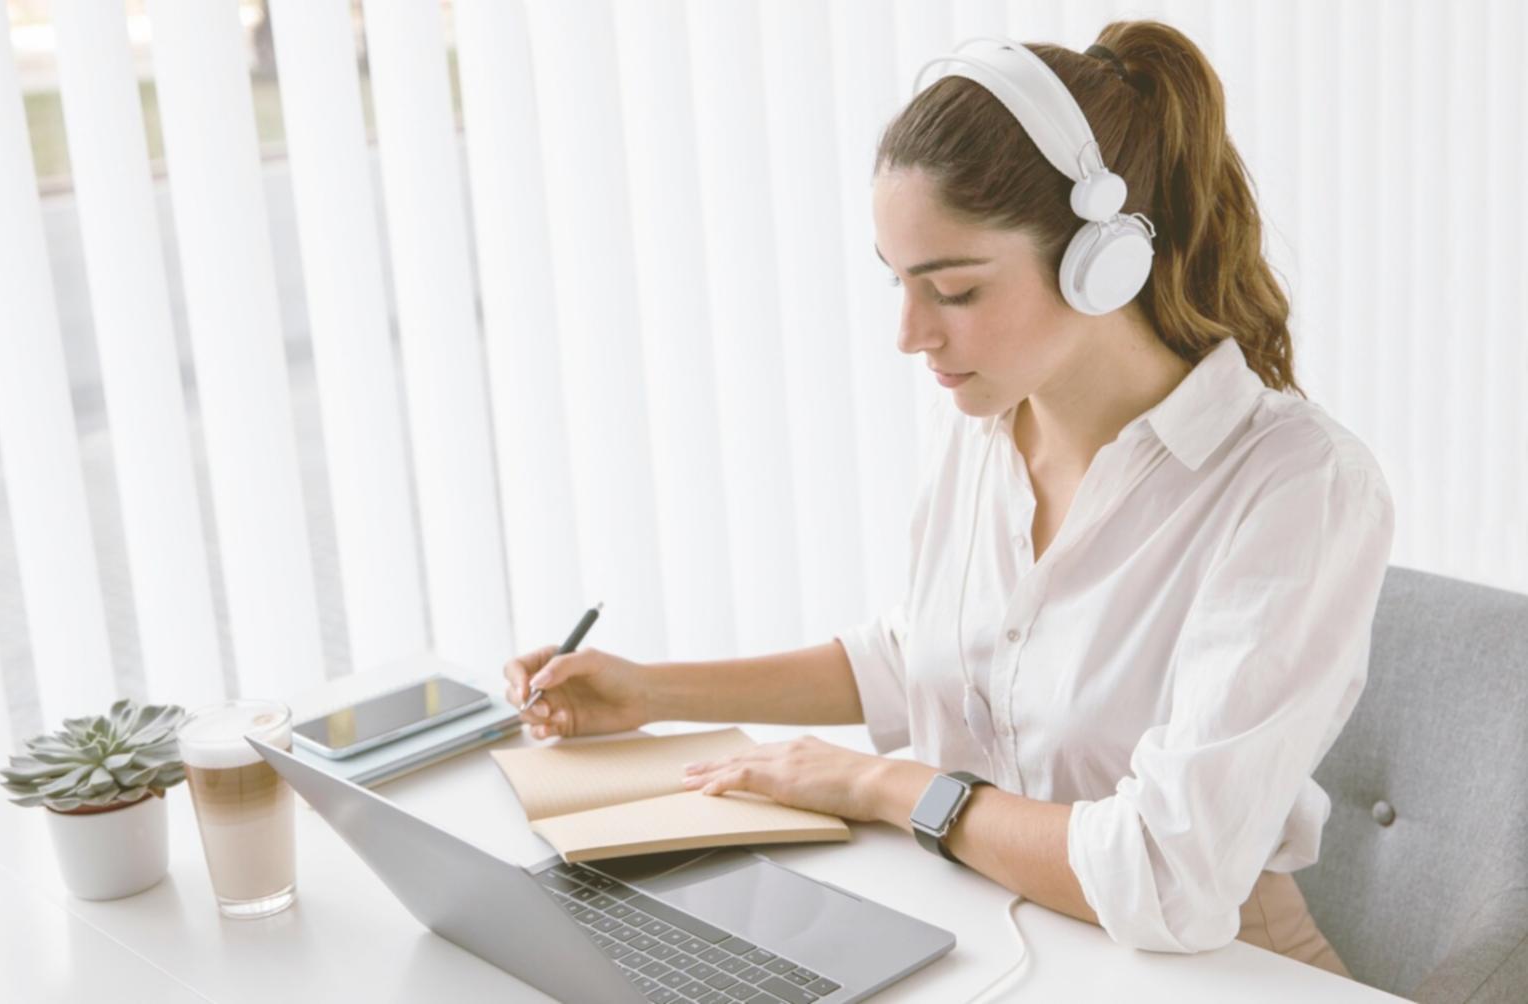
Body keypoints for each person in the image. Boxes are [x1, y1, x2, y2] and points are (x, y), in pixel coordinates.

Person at [502, 20, 1390, 979]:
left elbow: (1167, 878)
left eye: (955, 290)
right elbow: (918, 658)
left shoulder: (1297, 488)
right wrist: (653, 693)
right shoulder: (986, 425)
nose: (910, 334)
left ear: (1106, 263)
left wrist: (887, 787)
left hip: (1211, 969)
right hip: (981, 936)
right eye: (898, 283)